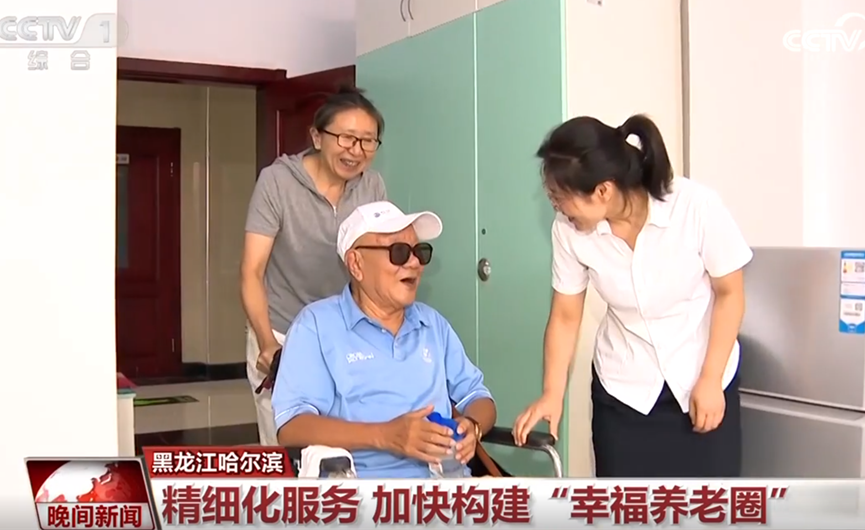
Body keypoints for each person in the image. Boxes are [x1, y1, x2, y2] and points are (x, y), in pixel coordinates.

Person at [512, 114, 752, 478]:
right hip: (624, 394)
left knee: (709, 504)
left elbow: (730, 293)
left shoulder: (693, 206)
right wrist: (552, 393)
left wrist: (711, 378)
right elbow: (565, 316)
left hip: (702, 381)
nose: (557, 209)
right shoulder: (569, 231)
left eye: (560, 199)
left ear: (603, 191)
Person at [271, 201, 497, 478]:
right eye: (399, 252)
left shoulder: (432, 324)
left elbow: (478, 396)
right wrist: (386, 435)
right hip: (364, 493)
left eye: (420, 252)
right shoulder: (316, 326)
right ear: (356, 264)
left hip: (447, 490)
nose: (414, 263)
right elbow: (292, 427)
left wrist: (473, 426)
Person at [241, 87, 388, 446]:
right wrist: (266, 343)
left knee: (343, 445)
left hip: (345, 333)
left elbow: (378, 265)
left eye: (368, 141)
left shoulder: (372, 186)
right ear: (317, 137)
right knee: (286, 447)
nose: (356, 151)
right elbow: (252, 271)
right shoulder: (277, 182)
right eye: (346, 138)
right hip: (283, 332)